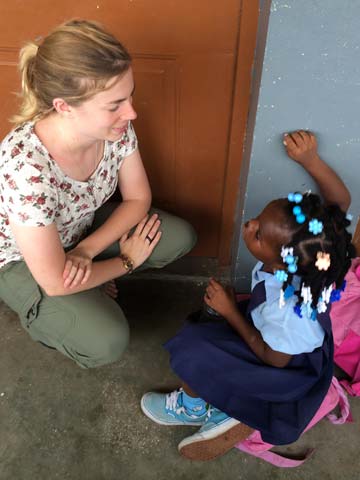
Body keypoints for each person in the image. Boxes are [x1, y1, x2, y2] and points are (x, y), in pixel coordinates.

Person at [140, 130, 355, 461]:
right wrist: (311, 161)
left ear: (284, 261)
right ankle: (223, 399)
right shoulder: (314, 252)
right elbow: (340, 201)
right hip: (270, 331)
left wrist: (230, 313)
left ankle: (221, 408)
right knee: (206, 332)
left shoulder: (291, 311)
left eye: (257, 234)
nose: (249, 226)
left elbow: (272, 358)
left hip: (283, 367)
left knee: (196, 348)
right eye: (258, 219)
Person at [0, 19, 196, 368]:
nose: (131, 112)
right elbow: (57, 281)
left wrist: (87, 251)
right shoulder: (26, 167)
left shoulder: (115, 128)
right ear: (65, 107)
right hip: (20, 260)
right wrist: (124, 262)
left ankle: (88, 282)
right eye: (115, 104)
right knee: (106, 341)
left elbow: (138, 198)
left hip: (77, 231)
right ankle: (46, 314)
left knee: (178, 236)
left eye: (129, 96)